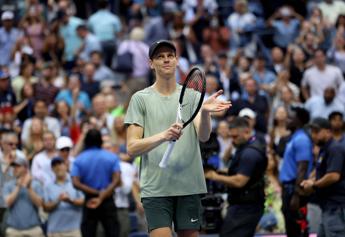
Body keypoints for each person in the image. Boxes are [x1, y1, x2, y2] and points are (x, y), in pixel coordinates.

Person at [125, 40, 231, 237]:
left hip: (188, 184)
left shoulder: (192, 96)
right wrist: (164, 136)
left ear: (176, 61)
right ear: (151, 63)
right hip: (156, 188)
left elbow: (204, 136)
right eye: (160, 56)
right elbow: (132, 147)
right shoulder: (140, 99)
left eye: (170, 56)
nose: (166, 60)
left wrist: (206, 113)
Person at [205, 117, 267, 237]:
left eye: (235, 137)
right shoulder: (246, 146)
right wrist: (220, 171)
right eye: (231, 137)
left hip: (246, 207)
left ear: (247, 131)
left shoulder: (250, 153)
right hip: (243, 205)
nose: (233, 141)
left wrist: (214, 176)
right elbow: (242, 170)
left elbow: (240, 181)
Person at [71, 128, 121, 237]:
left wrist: (96, 193)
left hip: (90, 200)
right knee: (113, 233)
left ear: (86, 142)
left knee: (88, 233)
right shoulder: (112, 157)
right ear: (100, 141)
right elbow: (117, 179)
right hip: (108, 198)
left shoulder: (78, 159)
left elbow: (75, 183)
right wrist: (103, 193)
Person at [301, 117, 345, 236]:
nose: (313, 135)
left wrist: (314, 185)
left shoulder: (335, 149)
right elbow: (321, 171)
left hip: (336, 207)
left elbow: (333, 176)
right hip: (328, 207)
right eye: (312, 131)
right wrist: (310, 180)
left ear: (328, 132)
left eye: (316, 131)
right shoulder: (324, 150)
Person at [279, 106, 313, 237]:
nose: (286, 120)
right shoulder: (295, 137)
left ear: (298, 120)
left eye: (289, 118)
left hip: (294, 189)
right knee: (291, 228)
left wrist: (296, 195)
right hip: (289, 188)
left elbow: (302, 168)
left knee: (296, 229)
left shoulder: (302, 139)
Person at [3, 154, 44, 237]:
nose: (14, 169)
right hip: (14, 230)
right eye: (13, 166)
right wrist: (18, 186)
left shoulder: (36, 184)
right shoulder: (8, 185)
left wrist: (29, 187)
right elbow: (7, 203)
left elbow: (40, 204)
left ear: (25, 168)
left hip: (34, 229)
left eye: (17, 166)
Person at [43, 157, 84, 237]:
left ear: (66, 165)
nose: (58, 167)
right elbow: (45, 207)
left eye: (60, 164)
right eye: (54, 165)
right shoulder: (48, 186)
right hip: (54, 231)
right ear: (52, 169)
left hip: (74, 230)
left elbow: (83, 201)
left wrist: (70, 200)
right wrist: (58, 200)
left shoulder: (75, 182)